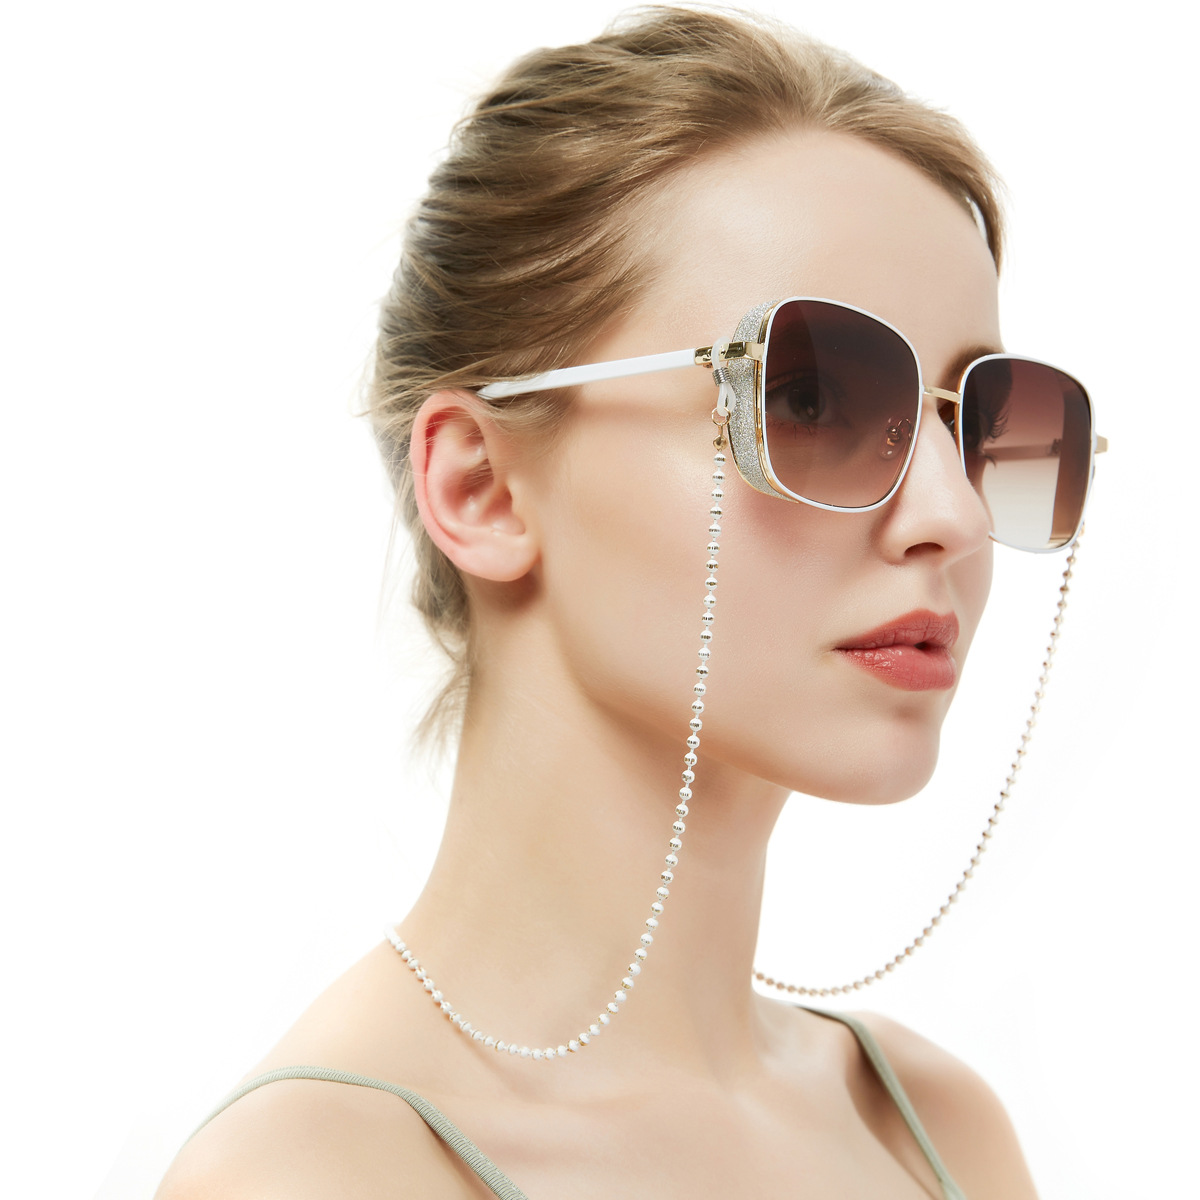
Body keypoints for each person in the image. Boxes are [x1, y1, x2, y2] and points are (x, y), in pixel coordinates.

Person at [156, 6, 1102, 1197]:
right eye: (808, 399)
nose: (954, 516)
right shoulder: (319, 1174)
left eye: (981, 421)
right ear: (482, 486)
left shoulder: (934, 1131)